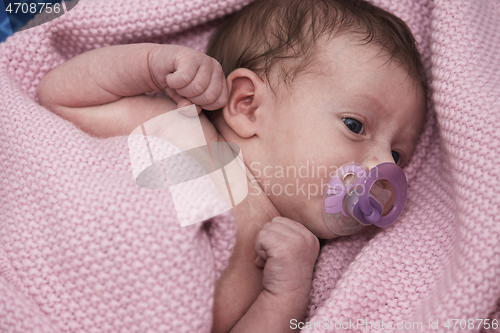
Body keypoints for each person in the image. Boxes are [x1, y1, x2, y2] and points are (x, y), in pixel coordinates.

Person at [36, 0, 427, 331]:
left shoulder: (286, 259)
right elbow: (60, 99)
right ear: (247, 106)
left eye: (397, 155)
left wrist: (286, 294)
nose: (381, 168)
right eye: (355, 126)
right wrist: (151, 64)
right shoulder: (183, 133)